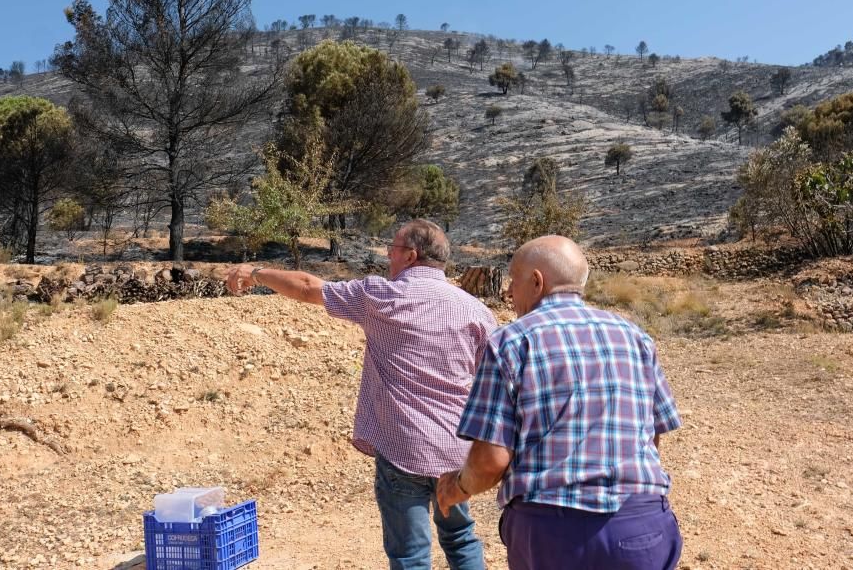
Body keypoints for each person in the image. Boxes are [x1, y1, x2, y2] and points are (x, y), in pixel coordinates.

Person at [226, 219, 497, 570]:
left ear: (411, 256)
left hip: (404, 446)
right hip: (456, 449)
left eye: (394, 248)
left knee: (410, 555)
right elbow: (489, 383)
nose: (388, 255)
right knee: (461, 538)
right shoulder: (475, 310)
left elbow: (309, 287)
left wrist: (256, 271)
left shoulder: (380, 296)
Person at [436, 235, 683, 570]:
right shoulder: (635, 336)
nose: (509, 292)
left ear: (537, 281)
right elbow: (652, 436)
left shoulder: (511, 342)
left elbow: (491, 461)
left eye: (513, 281)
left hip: (553, 533)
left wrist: (456, 488)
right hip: (641, 524)